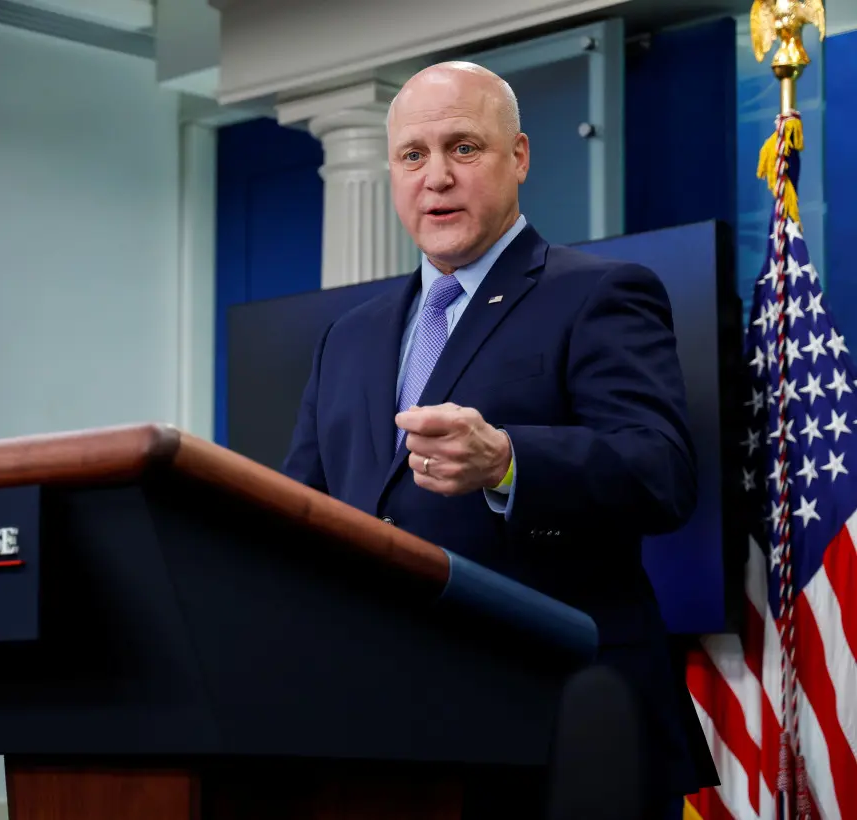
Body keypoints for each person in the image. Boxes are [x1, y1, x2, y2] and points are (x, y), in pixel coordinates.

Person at [281, 62, 715, 817]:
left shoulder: (600, 293)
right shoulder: (347, 339)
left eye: (464, 148)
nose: (437, 177)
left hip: (563, 725)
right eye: (413, 155)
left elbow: (662, 471)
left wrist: (511, 462)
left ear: (517, 156)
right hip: (385, 728)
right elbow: (302, 513)